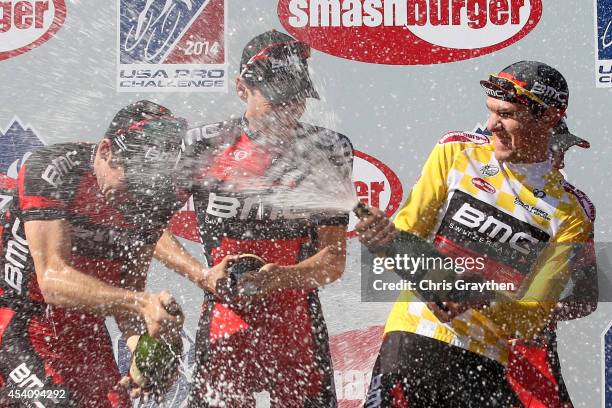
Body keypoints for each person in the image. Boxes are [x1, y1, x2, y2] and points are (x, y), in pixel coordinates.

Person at [356, 61, 595, 407]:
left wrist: (482, 296)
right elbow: (405, 235)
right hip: (413, 338)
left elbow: (531, 317)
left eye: (507, 114)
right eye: (491, 112)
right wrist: (382, 237)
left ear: (548, 119)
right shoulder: (455, 152)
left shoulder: (573, 212)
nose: (491, 125)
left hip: (484, 362)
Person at [154, 30, 353, 407]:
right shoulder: (204, 143)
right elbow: (152, 231)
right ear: (241, 88)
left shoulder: (329, 148)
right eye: (276, 100)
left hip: (296, 323)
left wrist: (285, 276)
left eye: (296, 100)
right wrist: (201, 274)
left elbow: (333, 259)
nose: (288, 110)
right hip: (225, 317)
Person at [0, 100, 187, 407]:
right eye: (130, 184)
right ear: (105, 151)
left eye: (143, 187)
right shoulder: (54, 169)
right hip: (18, 323)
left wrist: (142, 345)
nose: (133, 197)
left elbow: (129, 289)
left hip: (85, 329)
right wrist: (143, 304)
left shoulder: (155, 197)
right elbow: (52, 280)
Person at [506, 121, 597, 408]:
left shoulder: (575, 209)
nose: (561, 158)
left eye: (563, 150)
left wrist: (538, 314)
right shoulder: (475, 183)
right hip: (462, 343)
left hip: (531, 351)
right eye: (556, 149)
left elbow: (587, 297)